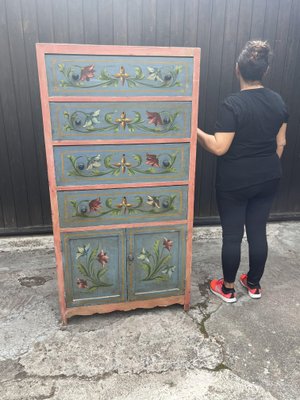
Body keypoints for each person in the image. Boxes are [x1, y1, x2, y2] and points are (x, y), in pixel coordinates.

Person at [197, 40, 288, 303]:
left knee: (233, 235)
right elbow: (280, 143)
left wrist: (195, 131)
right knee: (258, 231)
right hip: (269, 176)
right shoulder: (278, 102)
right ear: (266, 71)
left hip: (234, 182)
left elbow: (219, 147)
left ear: (237, 69)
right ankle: (254, 284)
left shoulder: (233, 104)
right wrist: (264, 168)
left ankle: (227, 289)